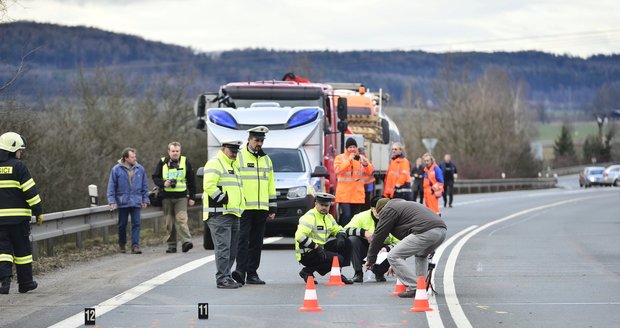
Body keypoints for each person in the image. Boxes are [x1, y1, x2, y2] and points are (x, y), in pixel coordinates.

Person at [365, 198, 447, 298]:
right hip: (441, 231)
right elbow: (407, 244)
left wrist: (371, 259)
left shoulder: (388, 210)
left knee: (392, 256)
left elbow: (379, 235)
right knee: (421, 255)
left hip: (425, 231)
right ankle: (421, 286)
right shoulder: (402, 206)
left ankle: (416, 287)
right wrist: (397, 265)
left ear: (380, 210)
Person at [232, 126, 276, 286]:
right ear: (249, 139)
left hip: (261, 208)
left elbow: (271, 185)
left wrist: (272, 207)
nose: (259, 143)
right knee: (242, 241)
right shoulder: (239, 157)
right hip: (244, 207)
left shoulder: (266, 160)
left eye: (261, 141)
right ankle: (240, 271)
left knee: (257, 242)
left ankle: (252, 273)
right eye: (256, 140)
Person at [0, 132, 41, 294]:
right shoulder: (19, 167)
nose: (20, 153)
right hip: (18, 220)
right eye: (19, 150)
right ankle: (25, 283)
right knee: (22, 251)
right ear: (12, 149)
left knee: (3, 250)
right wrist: (38, 211)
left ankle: (4, 283)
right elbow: (30, 192)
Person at [203, 140, 246, 289]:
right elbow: (208, 185)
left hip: (234, 213)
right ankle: (222, 278)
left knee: (232, 249)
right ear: (223, 149)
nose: (234, 154)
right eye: (231, 151)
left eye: (236, 151)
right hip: (219, 214)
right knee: (223, 248)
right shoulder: (215, 163)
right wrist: (222, 199)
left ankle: (227, 276)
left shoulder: (233, 165)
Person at [295, 192, 354, 284]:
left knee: (347, 243)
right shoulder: (309, 217)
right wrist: (316, 247)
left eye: (326, 205)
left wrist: (340, 236)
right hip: (307, 252)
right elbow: (299, 237)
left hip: (321, 249)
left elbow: (338, 229)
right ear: (316, 204)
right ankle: (307, 271)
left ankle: (337, 273)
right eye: (321, 205)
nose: (324, 208)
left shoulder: (329, 217)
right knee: (338, 258)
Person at [152, 141, 197, 253]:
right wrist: (163, 183)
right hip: (166, 197)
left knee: (181, 219)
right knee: (169, 222)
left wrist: (192, 197)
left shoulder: (185, 161)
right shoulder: (162, 162)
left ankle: (186, 242)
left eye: (177, 151)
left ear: (180, 151)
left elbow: (192, 180)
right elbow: (155, 177)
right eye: (173, 151)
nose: (175, 153)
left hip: (181, 196)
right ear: (169, 152)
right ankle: (171, 245)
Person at [344, 196, 399, 283]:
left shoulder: (392, 219)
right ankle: (358, 273)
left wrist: (387, 248)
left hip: (382, 251)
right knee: (353, 240)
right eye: (377, 210)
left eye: (383, 210)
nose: (380, 213)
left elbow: (400, 243)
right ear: (372, 209)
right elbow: (345, 230)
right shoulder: (361, 217)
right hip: (365, 248)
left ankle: (379, 273)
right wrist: (363, 232)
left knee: (395, 251)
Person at [107, 147, 150, 254]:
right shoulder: (116, 169)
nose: (135, 158)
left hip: (136, 200)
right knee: (122, 225)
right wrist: (111, 201)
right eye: (132, 157)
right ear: (126, 158)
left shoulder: (140, 169)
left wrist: (145, 199)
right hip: (123, 201)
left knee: (136, 224)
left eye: (135, 156)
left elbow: (144, 185)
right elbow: (111, 186)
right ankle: (122, 243)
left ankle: (135, 245)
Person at [334, 138, 374, 226]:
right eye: (350, 147)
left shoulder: (361, 158)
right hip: (344, 194)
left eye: (354, 147)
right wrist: (349, 160)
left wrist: (366, 164)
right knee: (346, 215)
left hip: (357, 194)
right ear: (346, 148)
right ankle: (343, 233)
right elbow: (337, 170)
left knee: (356, 218)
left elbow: (370, 171)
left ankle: (353, 236)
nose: (352, 149)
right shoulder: (340, 158)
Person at [358, 147, 375, 211]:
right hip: (367, 185)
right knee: (366, 203)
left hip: (363, 185)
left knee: (363, 203)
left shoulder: (361, 160)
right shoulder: (366, 160)